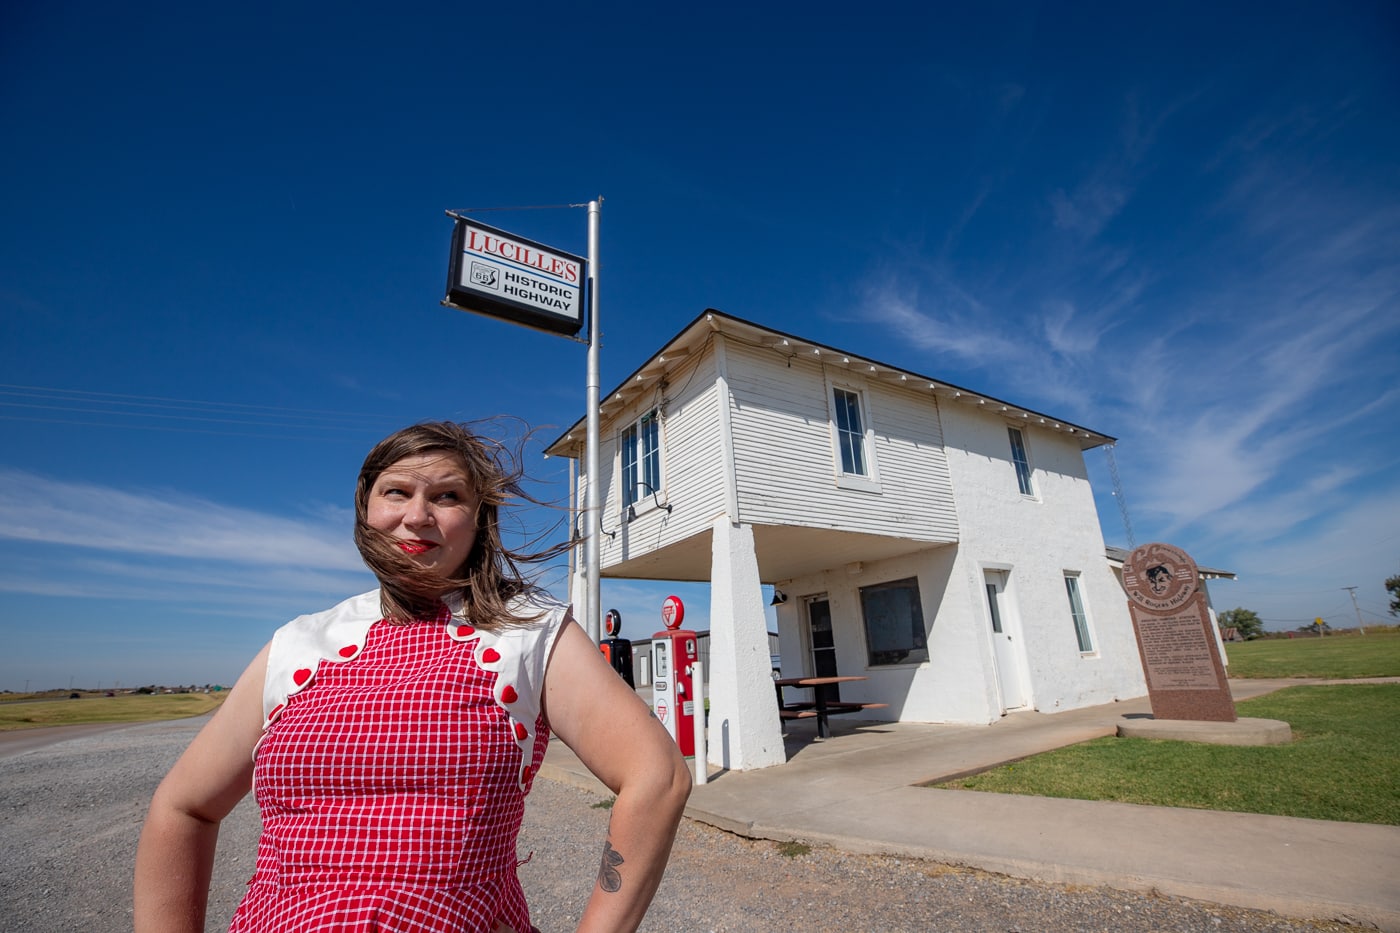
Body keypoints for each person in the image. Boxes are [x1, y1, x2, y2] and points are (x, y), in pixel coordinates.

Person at [135, 422, 691, 933]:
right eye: (396, 491)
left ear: (479, 519)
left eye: (447, 496)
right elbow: (183, 807)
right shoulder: (299, 642)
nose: (418, 515)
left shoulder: (529, 631)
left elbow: (657, 777)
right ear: (365, 509)